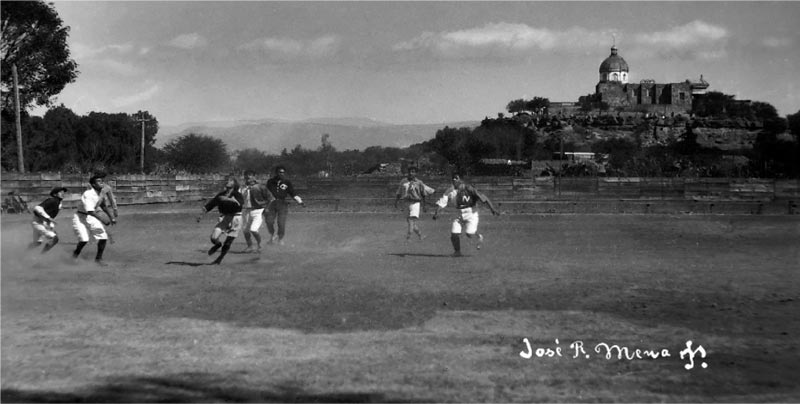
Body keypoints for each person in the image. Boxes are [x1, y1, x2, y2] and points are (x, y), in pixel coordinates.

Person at [432, 173, 500, 257]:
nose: (454, 180)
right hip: (458, 213)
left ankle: (479, 236)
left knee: (469, 234)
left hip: (471, 213)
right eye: (453, 178)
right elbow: (443, 202)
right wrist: (436, 213)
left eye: (456, 178)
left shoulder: (469, 188)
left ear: (461, 180)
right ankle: (457, 252)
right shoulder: (450, 191)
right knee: (454, 234)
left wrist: (492, 209)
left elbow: (484, 198)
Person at [197, 175, 244, 265]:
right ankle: (217, 244)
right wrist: (201, 215)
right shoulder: (221, 195)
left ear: (234, 184)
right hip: (225, 218)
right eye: (227, 180)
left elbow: (240, 204)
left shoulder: (237, 194)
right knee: (214, 237)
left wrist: (228, 199)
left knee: (228, 242)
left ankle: (220, 258)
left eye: (230, 180)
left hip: (236, 219)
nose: (227, 181)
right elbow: (210, 205)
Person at [72, 174, 113, 266]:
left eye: (102, 180)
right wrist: (103, 219)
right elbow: (90, 211)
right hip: (80, 217)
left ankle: (98, 259)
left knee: (103, 237)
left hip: (91, 217)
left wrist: (112, 217)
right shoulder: (88, 194)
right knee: (84, 239)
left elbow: (103, 206)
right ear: (93, 185)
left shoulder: (101, 193)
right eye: (99, 181)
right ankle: (74, 256)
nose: (102, 182)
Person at [265, 165, 305, 245]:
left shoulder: (287, 182)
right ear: (276, 173)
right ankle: (272, 236)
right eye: (280, 172)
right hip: (271, 204)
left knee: (281, 222)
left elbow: (292, 193)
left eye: (283, 172)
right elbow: (266, 192)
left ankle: (280, 239)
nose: (281, 174)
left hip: (282, 204)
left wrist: (300, 201)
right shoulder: (270, 181)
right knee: (269, 221)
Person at [394, 166, 434, 241]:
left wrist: (424, 205)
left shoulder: (419, 182)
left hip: (415, 203)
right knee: (411, 222)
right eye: (409, 171)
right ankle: (421, 235)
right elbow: (399, 192)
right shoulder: (403, 181)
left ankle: (408, 238)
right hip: (405, 203)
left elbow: (423, 194)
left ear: (415, 173)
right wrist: (396, 201)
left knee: (410, 220)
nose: (410, 173)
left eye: (412, 171)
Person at [240, 170, 273, 253]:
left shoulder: (260, 187)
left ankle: (260, 245)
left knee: (253, 229)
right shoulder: (242, 187)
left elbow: (270, 198)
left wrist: (266, 207)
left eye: (250, 175)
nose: (247, 177)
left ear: (254, 176)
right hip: (246, 211)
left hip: (257, 211)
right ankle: (250, 246)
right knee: (245, 230)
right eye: (246, 175)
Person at [30, 187, 68, 254]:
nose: (63, 193)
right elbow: (37, 208)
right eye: (60, 192)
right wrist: (48, 218)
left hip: (41, 223)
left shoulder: (59, 203)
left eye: (63, 192)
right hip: (38, 223)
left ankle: (23, 253)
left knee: (37, 243)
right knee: (54, 239)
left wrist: (51, 226)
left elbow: (51, 216)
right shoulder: (52, 200)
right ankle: (41, 256)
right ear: (55, 194)